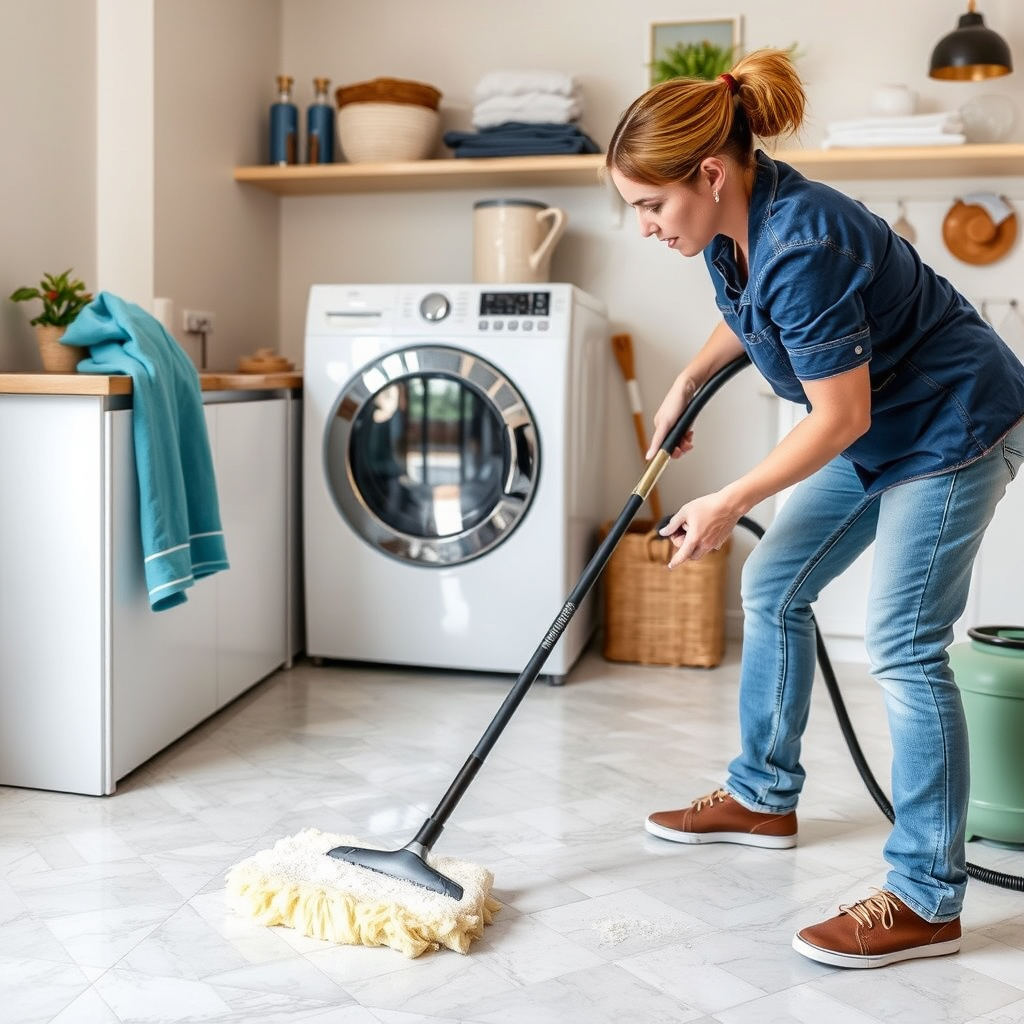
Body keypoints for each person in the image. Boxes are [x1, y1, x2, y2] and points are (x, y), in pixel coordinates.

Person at [605, 48, 1024, 970]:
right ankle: (762, 796)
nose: (644, 226)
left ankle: (927, 898)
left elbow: (839, 417)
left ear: (710, 174)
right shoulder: (734, 227)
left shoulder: (804, 239)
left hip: (953, 425)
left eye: (650, 204)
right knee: (775, 585)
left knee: (903, 643)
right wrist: (685, 380)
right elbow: (750, 315)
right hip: (884, 428)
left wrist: (727, 499)